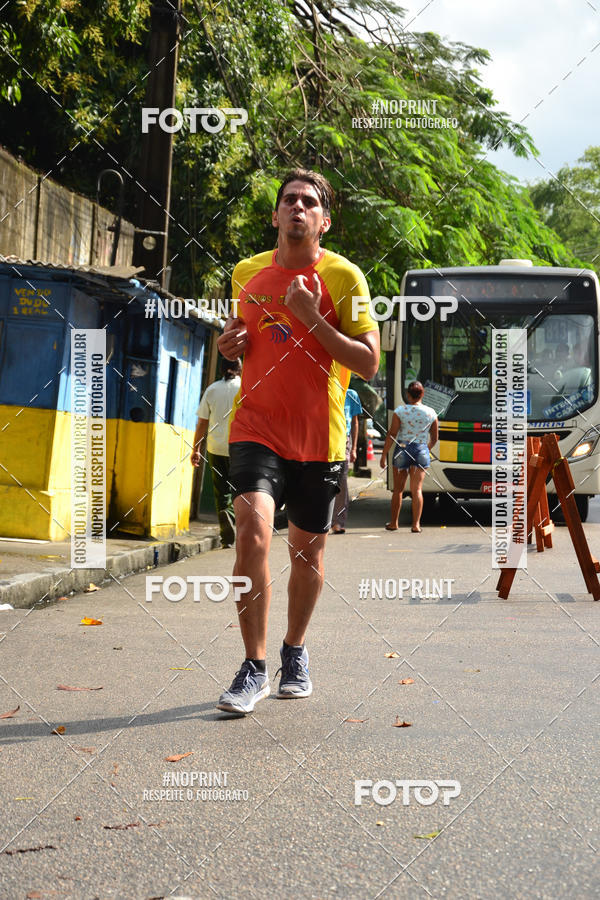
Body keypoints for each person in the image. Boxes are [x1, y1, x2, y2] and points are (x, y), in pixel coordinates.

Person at [216, 168, 379, 715]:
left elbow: (369, 362)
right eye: (288, 201)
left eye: (309, 203)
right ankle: (253, 667)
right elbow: (242, 344)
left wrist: (311, 318)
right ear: (275, 214)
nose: (297, 209)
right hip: (256, 429)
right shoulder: (247, 273)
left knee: (307, 555)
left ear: (324, 221)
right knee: (253, 538)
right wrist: (229, 345)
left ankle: (295, 651)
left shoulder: (345, 278)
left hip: (320, 439)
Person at [190, 358, 242, 548]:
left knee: (221, 491)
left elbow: (202, 422)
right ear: (240, 369)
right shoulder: (245, 388)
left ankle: (226, 537)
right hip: (240, 447)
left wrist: (196, 448)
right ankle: (231, 514)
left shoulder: (212, 389)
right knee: (241, 488)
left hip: (215, 447)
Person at [380, 380, 438, 533]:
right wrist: (425, 448)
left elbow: (392, 434)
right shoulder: (431, 412)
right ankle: (416, 524)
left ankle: (394, 523)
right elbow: (435, 437)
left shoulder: (400, 411)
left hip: (402, 449)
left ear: (408, 395)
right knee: (417, 490)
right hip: (421, 450)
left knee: (398, 490)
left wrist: (384, 454)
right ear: (422, 394)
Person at [330, 388, 362, 534]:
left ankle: (338, 522)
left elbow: (355, 423)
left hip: (344, 440)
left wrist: (354, 448)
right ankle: (324, 521)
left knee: (341, 481)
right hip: (324, 437)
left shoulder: (351, 394)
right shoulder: (327, 388)